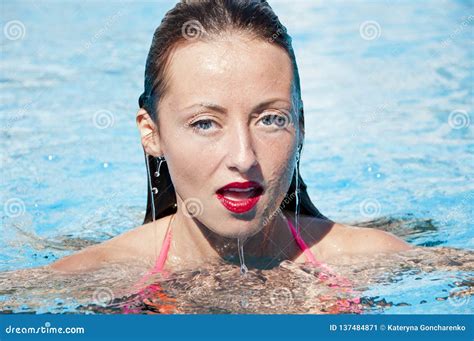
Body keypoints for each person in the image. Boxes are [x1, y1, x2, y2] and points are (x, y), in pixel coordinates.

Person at [49, 0, 411, 276]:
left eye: (269, 119)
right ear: (152, 133)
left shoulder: (372, 263)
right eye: (205, 123)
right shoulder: (88, 276)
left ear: (301, 126)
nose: (244, 156)